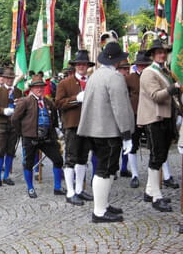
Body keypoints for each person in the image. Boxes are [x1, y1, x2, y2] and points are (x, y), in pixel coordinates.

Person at [78, 42, 135, 223]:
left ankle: (103, 204)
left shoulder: (94, 76)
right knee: (104, 170)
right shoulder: (115, 78)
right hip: (109, 131)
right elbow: (121, 107)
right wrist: (126, 134)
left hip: (95, 130)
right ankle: (99, 211)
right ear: (117, 61)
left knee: (107, 169)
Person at [137, 39, 179, 212]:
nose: (162, 55)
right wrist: (173, 88)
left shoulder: (165, 70)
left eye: (164, 52)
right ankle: (156, 196)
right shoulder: (148, 72)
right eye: (159, 52)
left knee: (160, 156)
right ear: (153, 55)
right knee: (156, 156)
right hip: (153, 118)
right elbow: (155, 95)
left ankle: (150, 190)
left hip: (164, 117)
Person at [12, 75, 64, 198]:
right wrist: (23, 133)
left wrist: (55, 131)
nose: (39, 89)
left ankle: (57, 187)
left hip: (47, 138)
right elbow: (14, 119)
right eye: (36, 87)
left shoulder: (48, 102)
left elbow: (54, 119)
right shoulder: (25, 101)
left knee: (58, 160)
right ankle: (30, 188)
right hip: (30, 138)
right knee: (28, 163)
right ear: (31, 89)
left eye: (41, 87)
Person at [55, 50, 94, 206]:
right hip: (72, 124)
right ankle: (70, 192)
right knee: (71, 158)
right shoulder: (65, 83)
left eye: (84, 64)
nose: (81, 67)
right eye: (79, 64)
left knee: (83, 158)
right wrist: (75, 99)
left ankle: (79, 189)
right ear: (75, 66)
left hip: (89, 125)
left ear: (87, 66)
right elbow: (58, 103)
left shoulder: (92, 81)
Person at [0, 67, 22, 189]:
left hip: (13, 125)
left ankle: (6, 176)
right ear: (4, 78)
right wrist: (3, 111)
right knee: (0, 151)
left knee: (10, 151)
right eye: (7, 78)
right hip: (1, 124)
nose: (9, 80)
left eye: (11, 78)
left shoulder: (18, 92)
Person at [124, 51, 152, 188]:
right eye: (141, 65)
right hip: (134, 115)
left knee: (156, 146)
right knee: (132, 146)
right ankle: (135, 175)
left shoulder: (153, 76)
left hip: (151, 115)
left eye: (145, 65)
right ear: (137, 66)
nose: (143, 67)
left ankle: (165, 175)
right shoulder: (129, 78)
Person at [115, 60, 132, 178]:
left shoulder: (129, 81)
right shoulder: (115, 81)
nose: (127, 71)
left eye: (128, 68)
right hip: (114, 117)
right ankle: (114, 168)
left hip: (126, 114)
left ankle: (124, 168)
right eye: (124, 69)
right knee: (115, 145)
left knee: (126, 143)